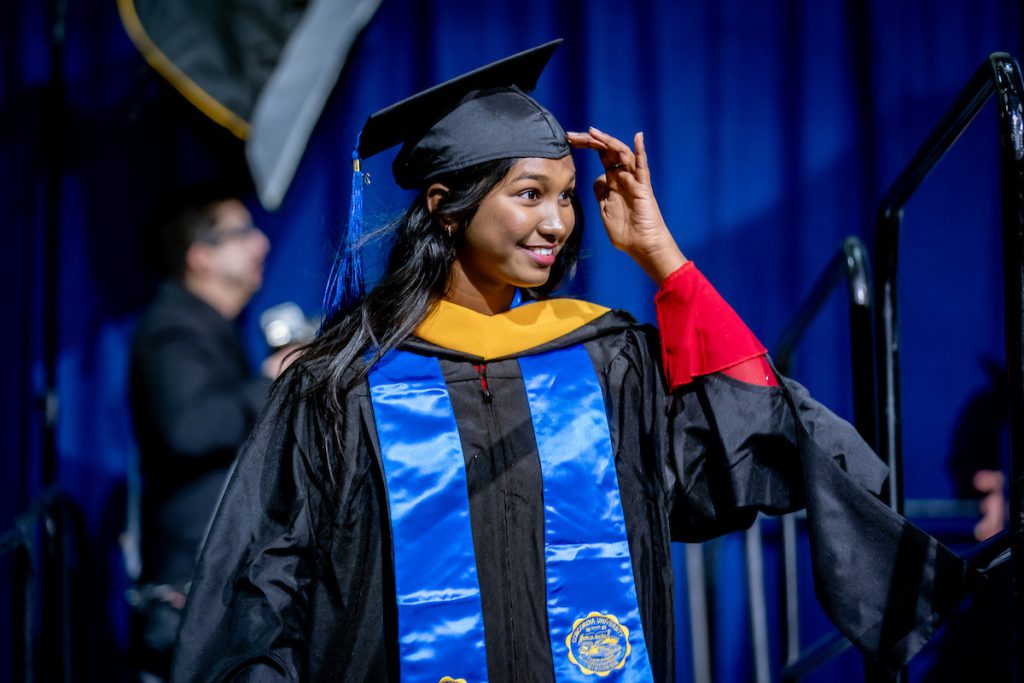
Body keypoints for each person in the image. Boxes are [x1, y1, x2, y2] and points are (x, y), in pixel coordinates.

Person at [171, 42, 971, 682]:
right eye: (529, 194)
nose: (556, 221)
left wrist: (662, 257)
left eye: (564, 195)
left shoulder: (604, 361)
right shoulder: (344, 383)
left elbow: (761, 434)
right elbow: (259, 590)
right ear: (445, 207)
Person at [128, 187, 292, 679]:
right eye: (241, 233)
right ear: (200, 257)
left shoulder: (210, 327)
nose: (261, 243)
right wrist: (271, 382)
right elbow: (190, 428)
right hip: (189, 592)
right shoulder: (173, 328)